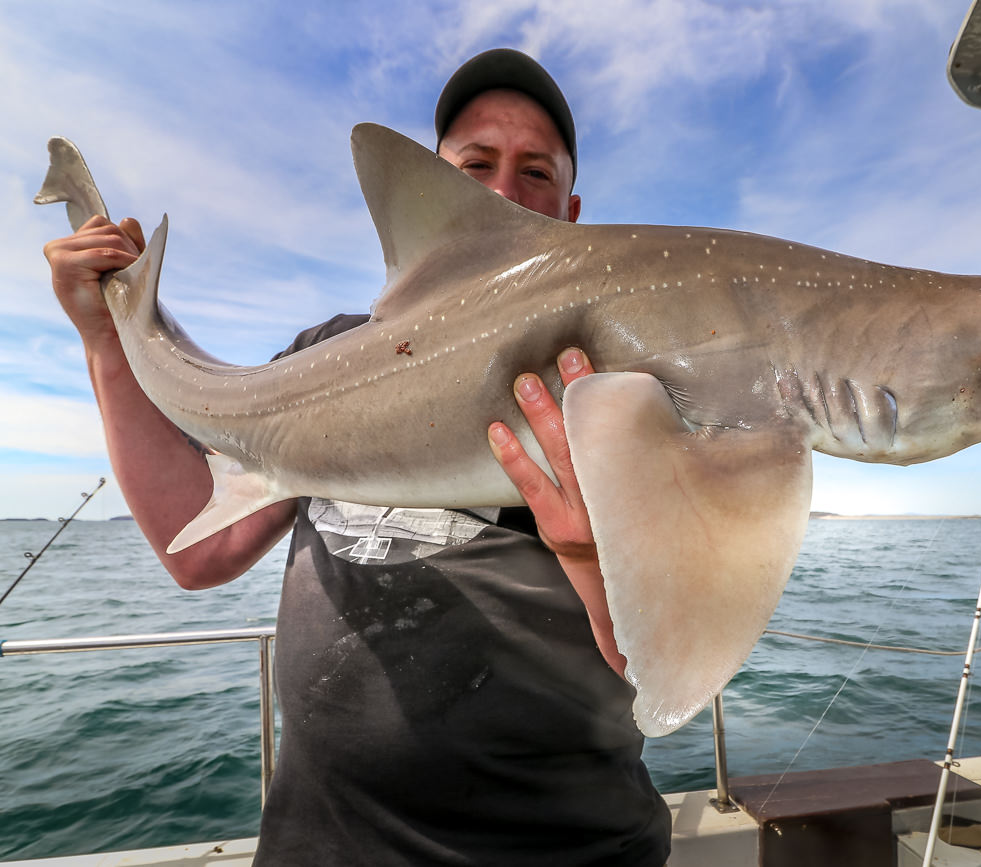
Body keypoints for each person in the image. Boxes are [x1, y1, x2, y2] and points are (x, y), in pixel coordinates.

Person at [43, 49, 672, 866]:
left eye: (535, 172)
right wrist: (106, 337)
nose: (503, 192)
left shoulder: (620, 384)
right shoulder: (331, 353)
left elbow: (668, 678)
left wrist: (590, 556)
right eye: (473, 165)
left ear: (571, 208)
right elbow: (199, 549)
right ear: (429, 186)